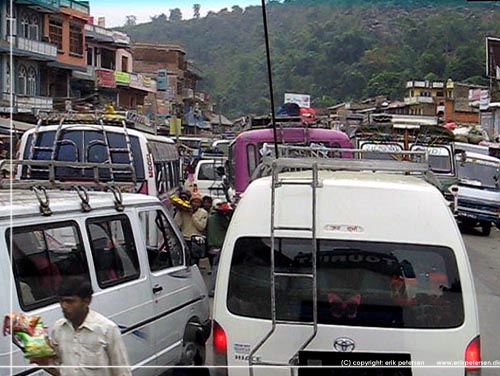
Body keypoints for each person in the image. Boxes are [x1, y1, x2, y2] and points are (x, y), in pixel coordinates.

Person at [41, 276, 131, 376]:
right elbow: (58, 367)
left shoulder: (107, 330)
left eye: (69, 301)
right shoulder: (59, 328)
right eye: (61, 301)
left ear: (86, 301)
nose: (64, 306)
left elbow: (122, 372)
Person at [206, 201, 233, 297]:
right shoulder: (224, 221)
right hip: (220, 246)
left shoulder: (210, 219)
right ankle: (213, 289)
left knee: (214, 267)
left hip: (212, 246)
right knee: (217, 269)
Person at [175, 193, 208, 264]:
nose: (196, 204)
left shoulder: (203, 213)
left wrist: (192, 216)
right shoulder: (183, 211)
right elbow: (177, 224)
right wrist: (180, 212)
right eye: (194, 202)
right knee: (186, 260)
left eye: (198, 202)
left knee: (195, 262)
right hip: (186, 239)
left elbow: (201, 227)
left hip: (196, 240)